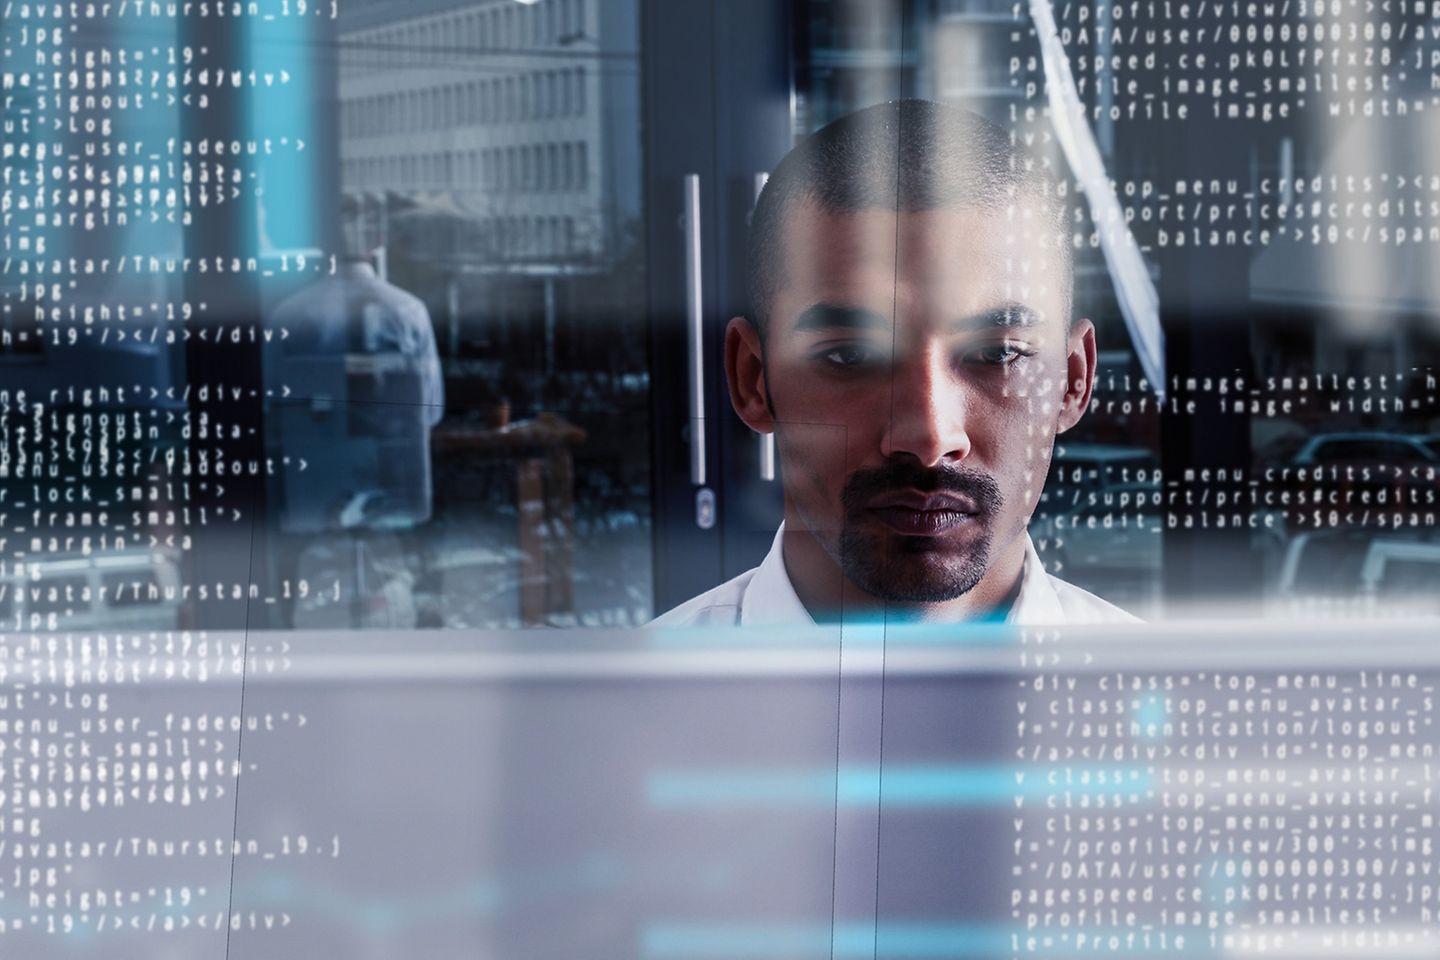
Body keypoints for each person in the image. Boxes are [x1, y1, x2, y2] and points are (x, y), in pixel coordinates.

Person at [654, 100, 1137, 627]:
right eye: (851, 355)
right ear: (752, 379)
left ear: (1072, 381)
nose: (929, 438)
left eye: (999, 353)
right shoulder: (623, 708)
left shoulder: (1177, 700)